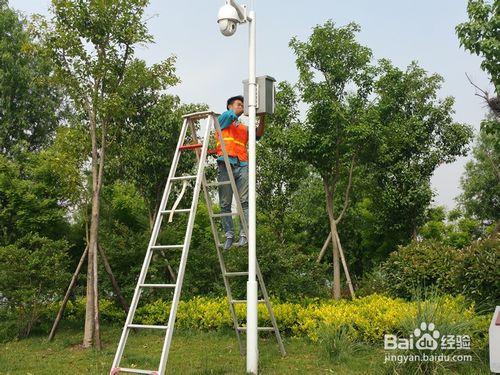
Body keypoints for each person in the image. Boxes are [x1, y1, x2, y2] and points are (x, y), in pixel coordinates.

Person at [215, 95, 265, 250]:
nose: (241, 107)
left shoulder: (243, 127)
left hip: (242, 164)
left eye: (242, 105)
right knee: (225, 204)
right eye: (238, 104)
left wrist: (262, 116)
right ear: (229, 106)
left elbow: (258, 134)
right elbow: (232, 115)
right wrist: (244, 109)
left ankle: (244, 233)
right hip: (225, 164)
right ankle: (229, 234)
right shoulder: (222, 119)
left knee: (244, 202)